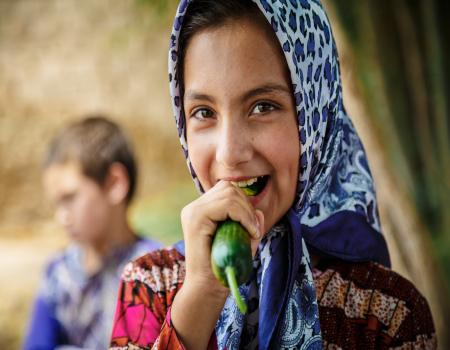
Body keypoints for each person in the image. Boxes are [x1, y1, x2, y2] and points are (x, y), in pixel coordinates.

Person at [109, 1, 436, 349]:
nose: (230, 153)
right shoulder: (148, 289)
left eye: (263, 106)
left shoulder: (386, 315)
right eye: (203, 111)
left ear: (314, 118)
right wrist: (199, 299)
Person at [23, 116, 161, 350]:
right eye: (57, 204)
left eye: (70, 198)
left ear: (114, 184)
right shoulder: (58, 274)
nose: (62, 217)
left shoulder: (155, 271)